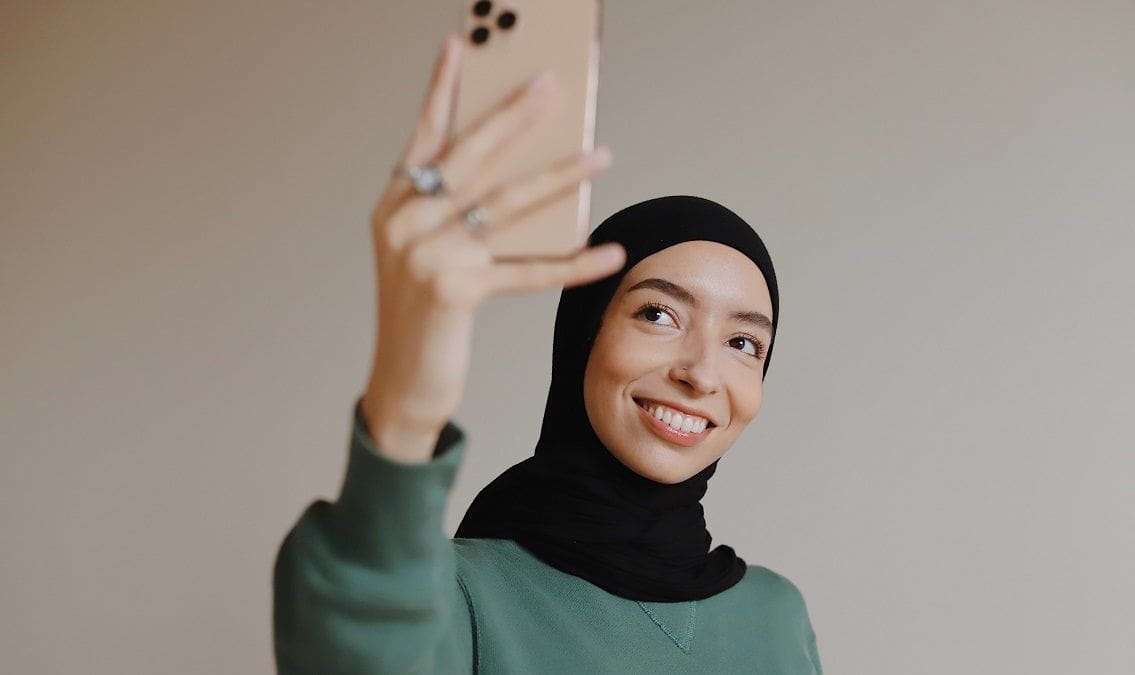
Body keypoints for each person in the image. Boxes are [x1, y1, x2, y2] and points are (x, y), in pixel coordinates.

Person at [273, 33, 823, 673]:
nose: (701, 372)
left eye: (742, 342)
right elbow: (360, 630)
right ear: (582, 334)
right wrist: (408, 395)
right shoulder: (457, 598)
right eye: (658, 313)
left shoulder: (776, 617)